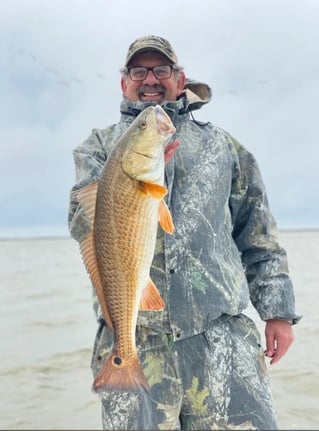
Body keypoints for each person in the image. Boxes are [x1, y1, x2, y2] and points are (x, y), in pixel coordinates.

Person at [68, 35, 301, 430]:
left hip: (221, 337)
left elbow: (257, 230)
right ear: (124, 82)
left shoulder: (223, 146)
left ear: (181, 78)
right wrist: (130, 180)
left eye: (161, 69)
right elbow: (81, 221)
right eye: (139, 70)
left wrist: (276, 312)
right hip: (136, 338)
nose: (150, 79)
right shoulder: (99, 147)